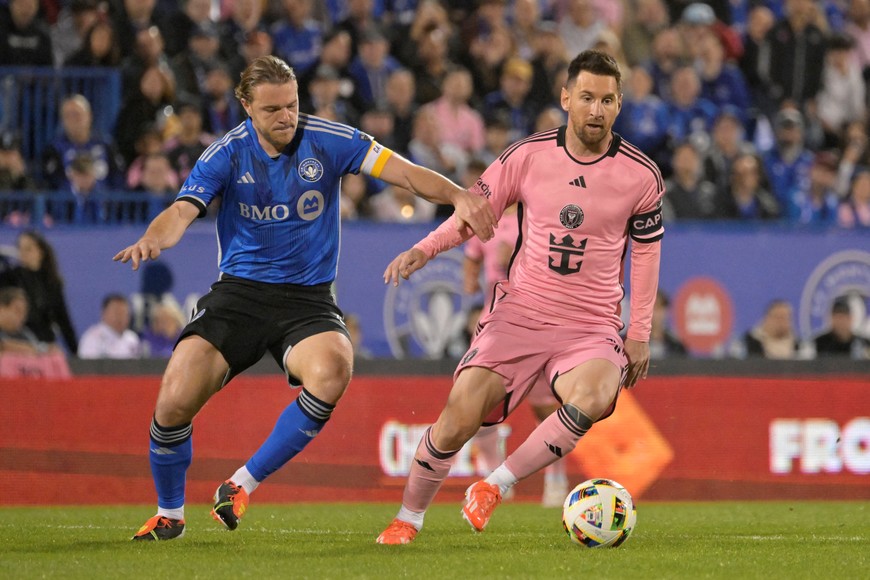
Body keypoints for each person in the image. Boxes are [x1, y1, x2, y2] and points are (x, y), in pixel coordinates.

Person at [114, 55, 496, 541]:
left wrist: (458, 194)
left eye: (291, 105)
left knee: (335, 366)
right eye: (272, 108)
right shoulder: (225, 154)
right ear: (246, 106)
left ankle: (241, 483)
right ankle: (170, 514)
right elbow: (182, 211)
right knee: (173, 401)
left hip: (306, 298)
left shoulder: (330, 140)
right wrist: (153, 238)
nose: (285, 117)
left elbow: (402, 172)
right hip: (240, 294)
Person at [376, 49, 664, 545]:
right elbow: (474, 210)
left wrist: (638, 332)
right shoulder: (527, 156)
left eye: (608, 100)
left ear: (619, 106)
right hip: (520, 314)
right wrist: (425, 249)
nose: (596, 110)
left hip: (592, 325)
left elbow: (646, 256)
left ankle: (495, 485)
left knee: (595, 394)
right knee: (457, 418)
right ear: (566, 97)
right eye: (588, 97)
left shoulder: (642, 176)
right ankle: (408, 517)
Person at [0, 230, 78, 355]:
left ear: (41, 252)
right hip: (18, 343)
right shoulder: (8, 278)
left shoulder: (52, 283)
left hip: (45, 342)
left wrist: (76, 353)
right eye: (20, 248)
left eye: (28, 249)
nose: (23, 253)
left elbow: (63, 319)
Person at [78, 293, 142, 359]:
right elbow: (87, 367)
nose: (120, 317)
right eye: (117, 313)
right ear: (104, 313)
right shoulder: (92, 339)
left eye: (124, 313)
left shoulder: (132, 339)